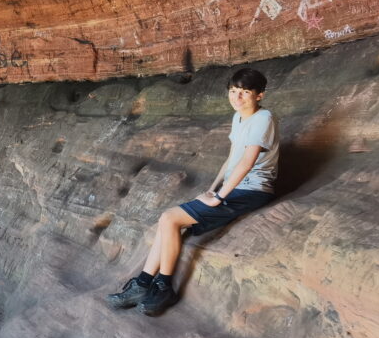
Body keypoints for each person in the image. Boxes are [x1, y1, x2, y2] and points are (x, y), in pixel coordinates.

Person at [106, 68, 279, 316]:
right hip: (234, 187)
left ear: (259, 95)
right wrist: (212, 188)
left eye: (244, 93)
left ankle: (163, 286)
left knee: (169, 218)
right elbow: (232, 158)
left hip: (252, 190)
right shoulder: (238, 117)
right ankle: (143, 284)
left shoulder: (263, 118)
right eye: (233, 91)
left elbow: (246, 163)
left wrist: (219, 197)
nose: (237, 98)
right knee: (166, 224)